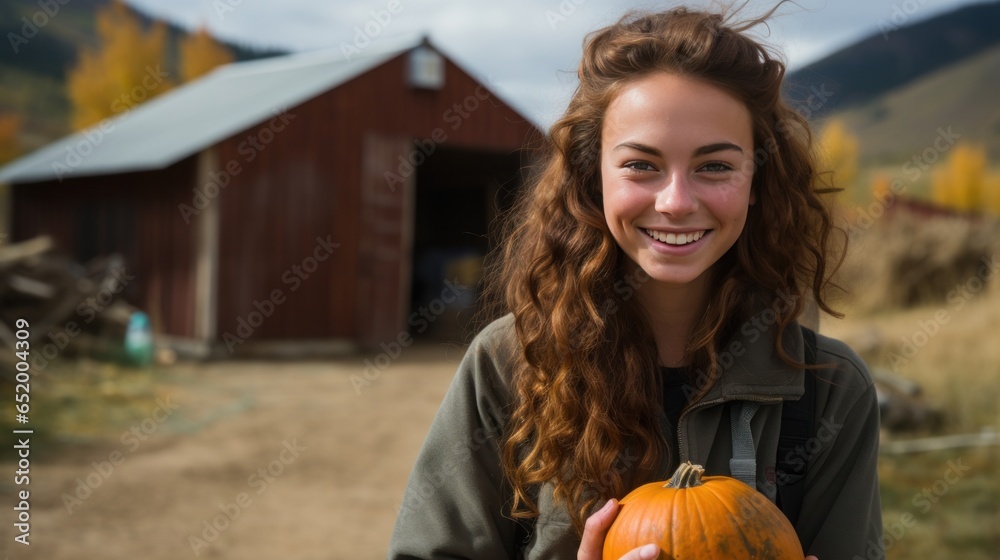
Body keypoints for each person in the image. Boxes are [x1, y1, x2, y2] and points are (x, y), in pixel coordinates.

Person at [388, 4, 884, 559]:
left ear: (756, 182)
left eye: (715, 166)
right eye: (641, 165)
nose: (675, 202)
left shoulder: (828, 390)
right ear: (592, 175)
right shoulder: (510, 364)